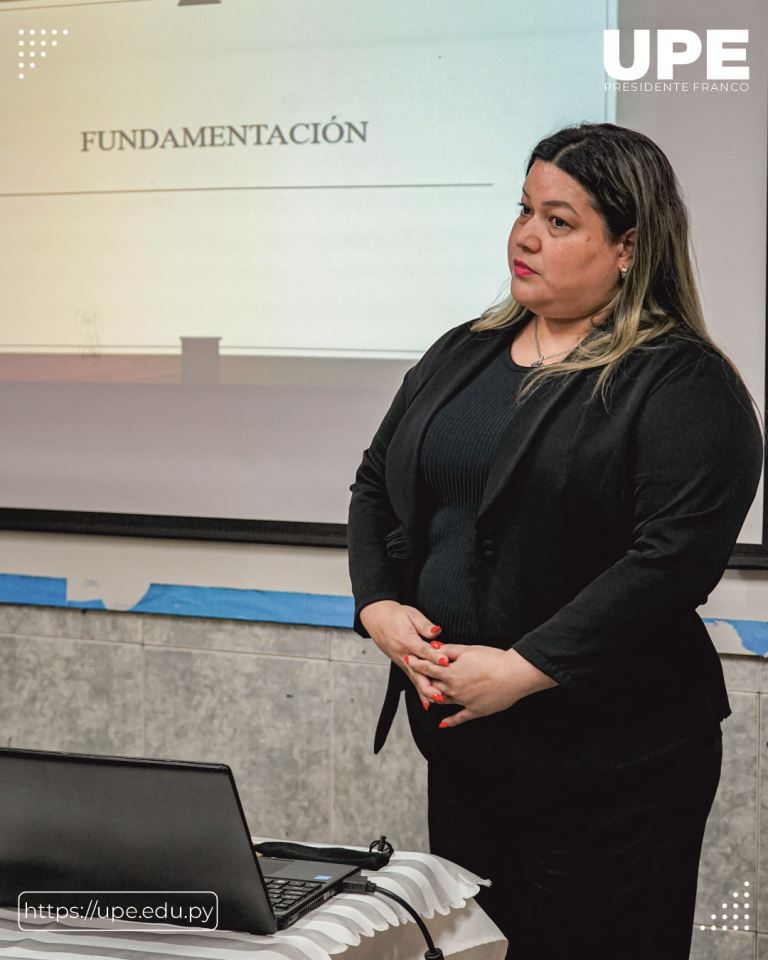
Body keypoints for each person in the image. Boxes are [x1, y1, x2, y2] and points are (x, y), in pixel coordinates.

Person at [346, 122, 765, 960]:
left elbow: (671, 561)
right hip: (470, 747)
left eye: (561, 220)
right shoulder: (463, 352)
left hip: (615, 762)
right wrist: (380, 605)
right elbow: (374, 484)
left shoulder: (680, 380)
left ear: (629, 246)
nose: (525, 236)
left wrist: (523, 669)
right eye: (523, 209)